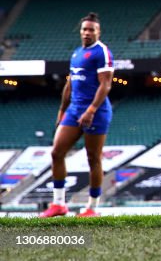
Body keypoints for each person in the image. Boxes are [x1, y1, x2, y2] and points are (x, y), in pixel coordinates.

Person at [40, 12, 114, 218]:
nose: (87, 32)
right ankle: (59, 205)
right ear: (80, 32)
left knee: (93, 159)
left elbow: (105, 84)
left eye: (91, 29)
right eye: (84, 29)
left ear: (98, 32)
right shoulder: (76, 53)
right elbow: (70, 84)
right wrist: (62, 110)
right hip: (73, 111)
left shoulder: (102, 52)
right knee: (56, 153)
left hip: (96, 112)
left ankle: (92, 208)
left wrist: (91, 110)